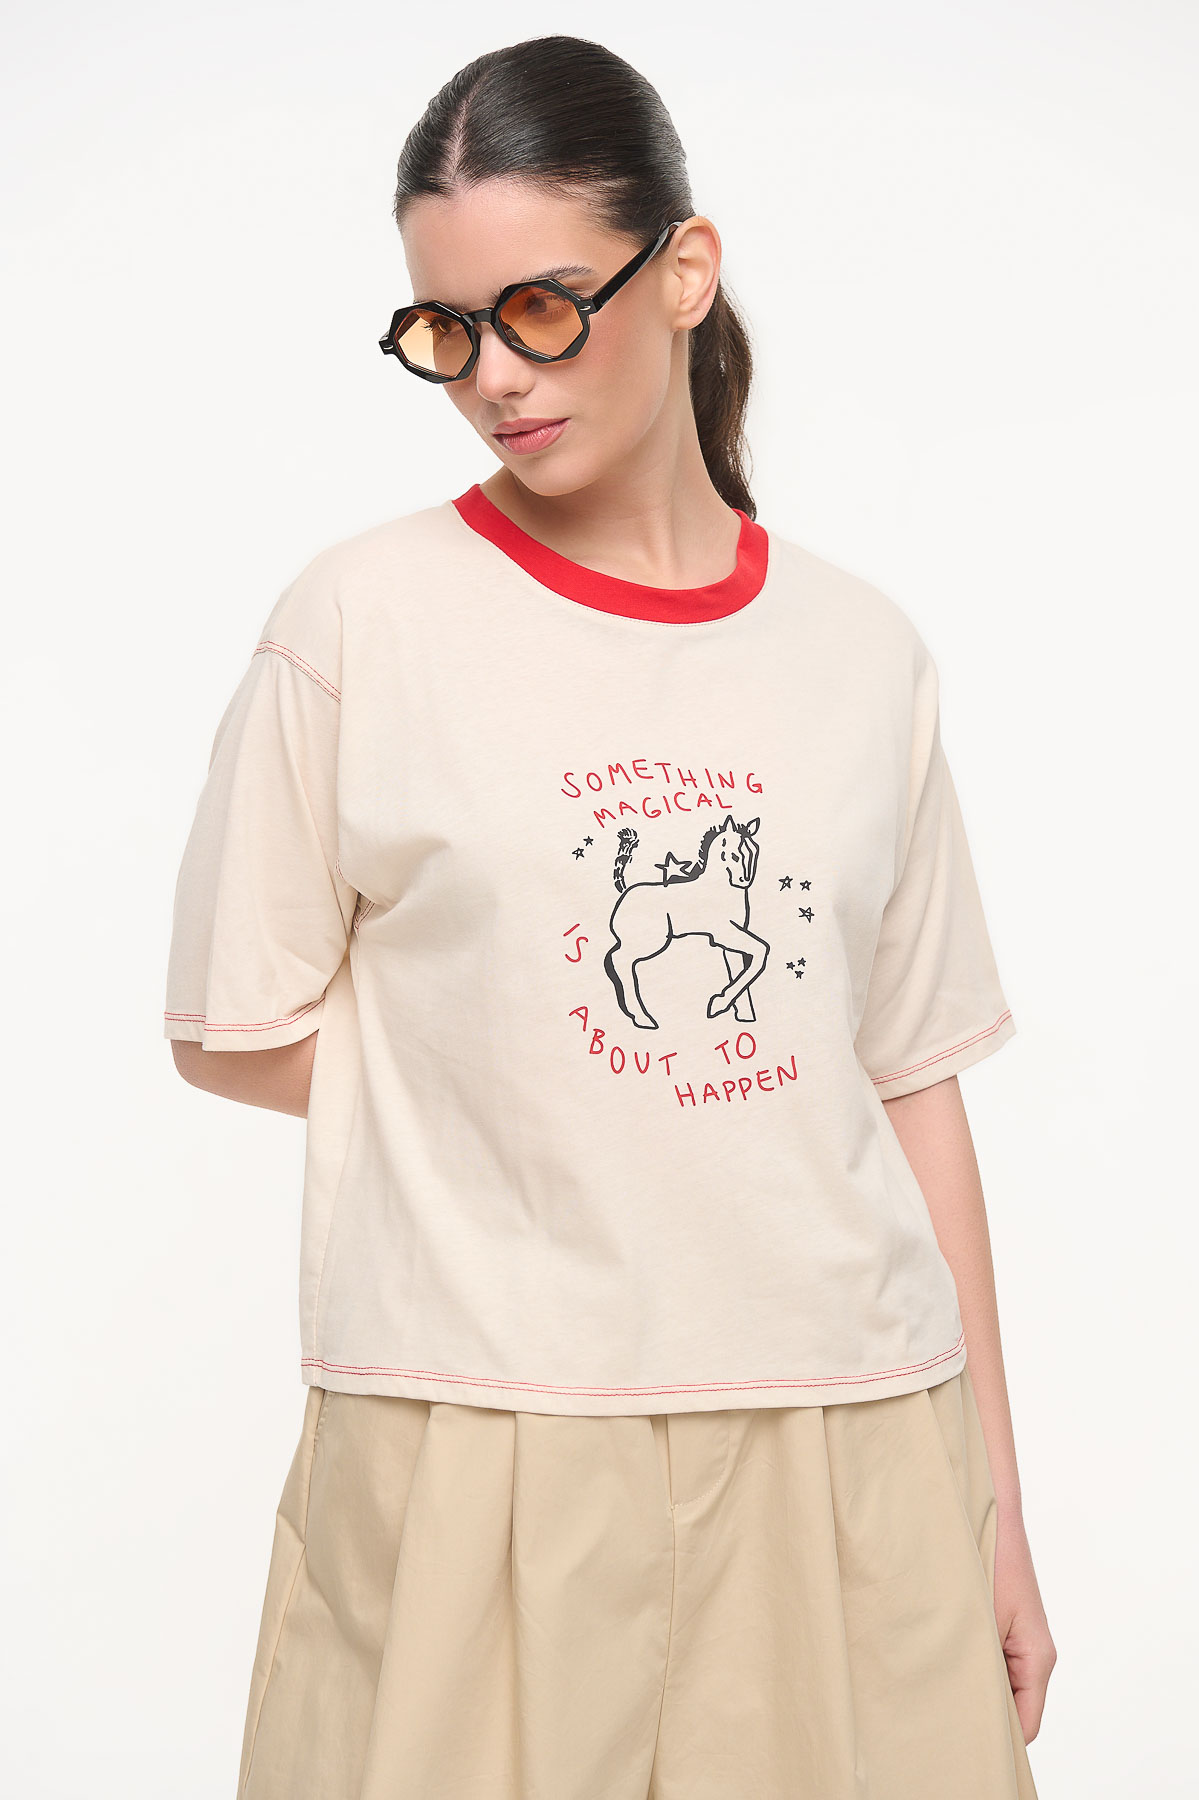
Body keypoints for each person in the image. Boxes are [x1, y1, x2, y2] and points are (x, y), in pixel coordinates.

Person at [163, 33, 1055, 1800]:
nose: (495, 374)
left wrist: (997, 1506)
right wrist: (517, 1084)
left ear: (686, 270)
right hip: (481, 1426)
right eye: (446, 329)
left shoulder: (861, 655)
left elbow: (911, 1087)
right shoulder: (360, 623)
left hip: (846, 1432)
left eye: (542, 308)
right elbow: (233, 1028)